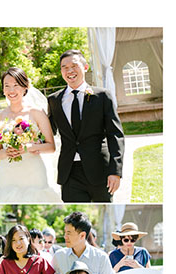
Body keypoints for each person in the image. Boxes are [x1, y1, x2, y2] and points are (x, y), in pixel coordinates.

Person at [47, 50, 125, 203]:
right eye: (64, 67)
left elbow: (115, 135)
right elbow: (48, 132)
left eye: (74, 65)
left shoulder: (103, 96)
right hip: (69, 174)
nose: (69, 70)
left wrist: (115, 171)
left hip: (100, 171)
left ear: (85, 67)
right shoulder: (54, 100)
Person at [0, 67, 61, 203]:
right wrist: (7, 152)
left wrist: (28, 147)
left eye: (16, 85)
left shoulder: (36, 113)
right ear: (3, 89)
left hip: (33, 172)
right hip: (8, 173)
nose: (11, 90)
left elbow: (51, 147)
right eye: (7, 86)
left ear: (25, 87)